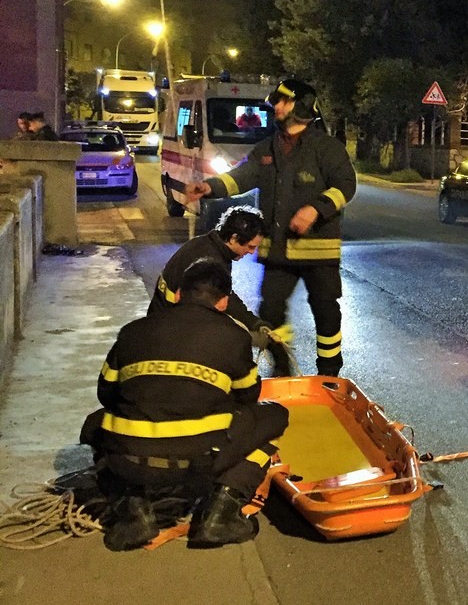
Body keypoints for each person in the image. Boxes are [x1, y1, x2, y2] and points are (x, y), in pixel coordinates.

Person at [80, 259, 290, 550]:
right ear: (223, 302)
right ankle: (220, 513)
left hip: (127, 462)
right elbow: (248, 397)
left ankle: (133, 511)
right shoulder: (234, 336)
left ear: (178, 294)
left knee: (95, 424)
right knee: (273, 418)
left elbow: (107, 393)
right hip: (198, 464)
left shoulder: (132, 331)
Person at [186, 79, 356, 377]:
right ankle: (282, 367)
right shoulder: (267, 148)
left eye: (282, 101)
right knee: (271, 311)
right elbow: (241, 176)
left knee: (326, 312)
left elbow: (346, 185)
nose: (275, 106)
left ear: (301, 105)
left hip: (319, 253)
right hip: (278, 249)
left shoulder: (327, 148)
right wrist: (209, 187)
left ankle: (329, 375)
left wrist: (316, 208)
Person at [148, 206, 280, 353]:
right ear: (233, 238)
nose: (251, 252)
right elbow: (218, 304)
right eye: (250, 246)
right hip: (170, 333)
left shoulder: (205, 244)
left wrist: (253, 323)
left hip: (160, 322)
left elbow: (221, 293)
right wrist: (250, 333)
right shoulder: (211, 261)